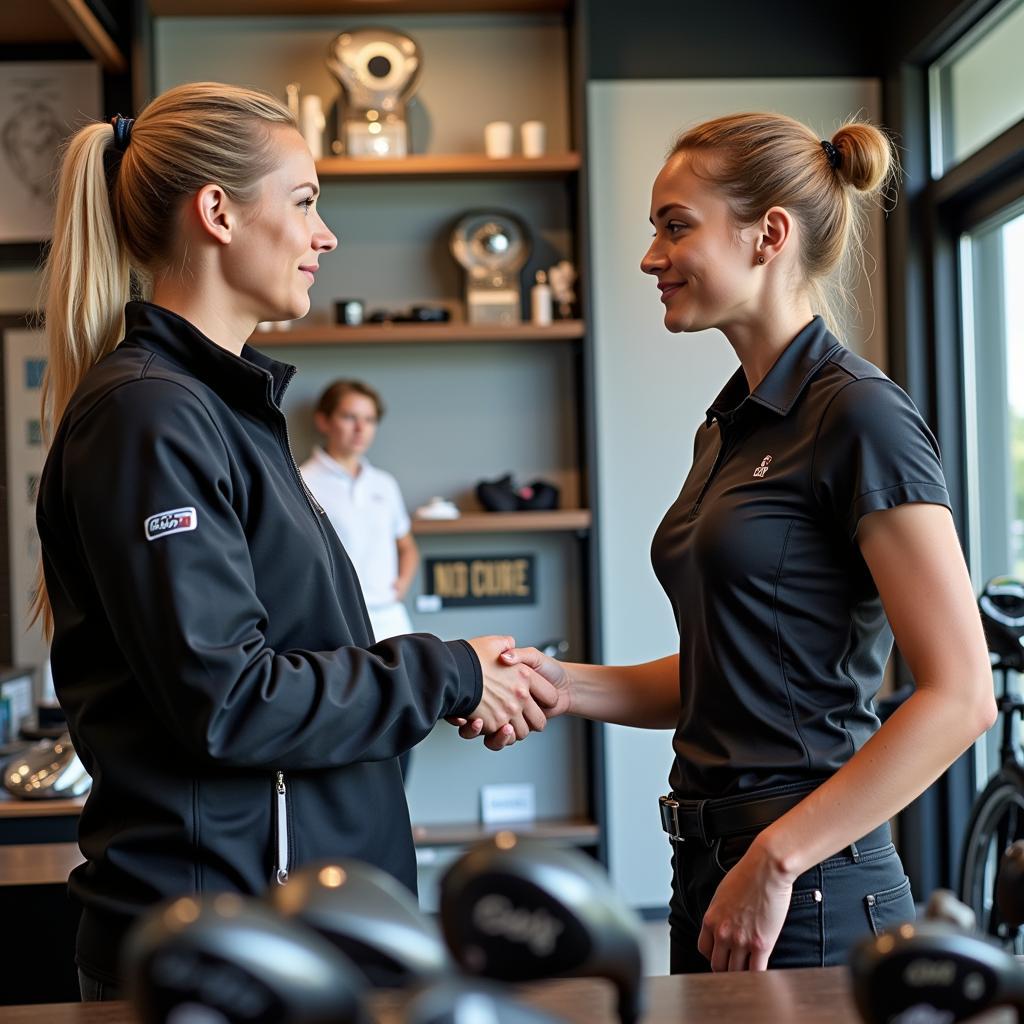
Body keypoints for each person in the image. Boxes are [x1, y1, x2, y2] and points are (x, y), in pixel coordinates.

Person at [33, 82, 553, 999]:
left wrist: (457, 675)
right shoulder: (151, 416)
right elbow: (231, 701)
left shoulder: (223, 412)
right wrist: (445, 670)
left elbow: (295, 662)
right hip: (223, 947)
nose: (327, 235)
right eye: (307, 201)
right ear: (219, 212)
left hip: (295, 932)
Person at [459, 113, 997, 972]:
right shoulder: (728, 428)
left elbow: (961, 697)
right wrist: (562, 685)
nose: (649, 257)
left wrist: (779, 859)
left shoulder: (859, 414)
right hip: (711, 866)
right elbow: (735, 670)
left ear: (768, 234)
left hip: (807, 879)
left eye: (676, 226)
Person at [300, 379, 418, 644]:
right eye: (349, 417)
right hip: (337, 621)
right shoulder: (301, 482)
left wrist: (401, 585)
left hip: (391, 619)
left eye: (370, 419)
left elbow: (407, 546)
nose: (360, 428)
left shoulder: (384, 484)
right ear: (323, 421)